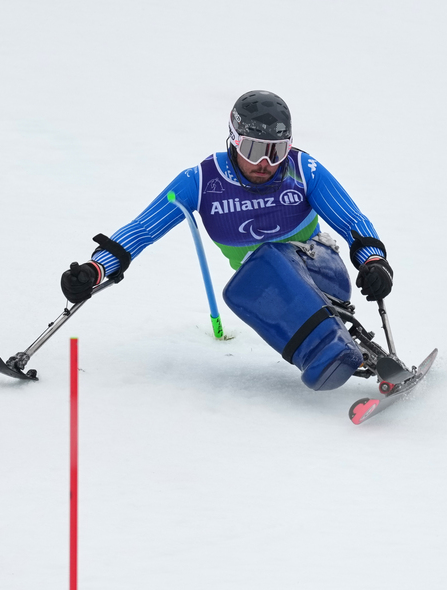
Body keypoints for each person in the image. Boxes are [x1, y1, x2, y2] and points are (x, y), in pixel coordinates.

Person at [60, 90, 396, 391]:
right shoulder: (202, 181)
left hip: (321, 267)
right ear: (233, 140)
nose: (265, 164)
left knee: (266, 259)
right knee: (242, 285)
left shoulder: (304, 169)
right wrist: (95, 269)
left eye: (276, 151)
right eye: (253, 149)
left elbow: (351, 220)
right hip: (270, 293)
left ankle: (328, 353)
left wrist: (373, 262)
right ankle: (332, 354)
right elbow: (143, 229)